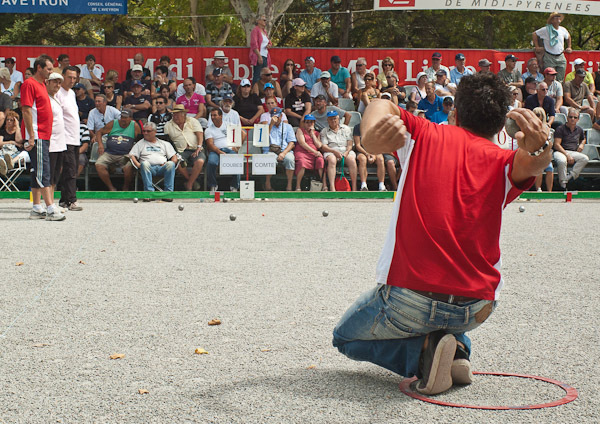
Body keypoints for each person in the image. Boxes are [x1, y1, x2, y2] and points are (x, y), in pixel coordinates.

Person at [333, 72, 552, 396]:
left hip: (411, 297)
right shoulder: (504, 161)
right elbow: (533, 163)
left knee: (344, 337)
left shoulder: (423, 134)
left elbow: (379, 104)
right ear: (498, 126)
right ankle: (456, 350)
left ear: (456, 112)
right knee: (448, 321)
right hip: (477, 306)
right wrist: (543, 146)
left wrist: (372, 135)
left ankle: (425, 355)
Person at [21, 55, 65, 221]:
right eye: (48, 69)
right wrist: (31, 136)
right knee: (43, 171)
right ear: (39, 68)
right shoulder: (29, 84)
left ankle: (36, 207)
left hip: (44, 135)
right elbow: (26, 110)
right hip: (37, 134)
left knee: (36, 170)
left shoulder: (41, 85)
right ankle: (50, 209)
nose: (51, 71)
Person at [56, 66, 83, 211]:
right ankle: (72, 200)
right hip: (65, 138)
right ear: (62, 76)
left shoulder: (72, 93)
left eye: (74, 78)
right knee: (70, 170)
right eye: (69, 77)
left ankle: (64, 199)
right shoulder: (58, 93)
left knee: (70, 170)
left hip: (75, 138)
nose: (72, 80)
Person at [93, 109, 140, 191]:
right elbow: (99, 132)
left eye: (125, 118)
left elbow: (140, 140)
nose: (123, 119)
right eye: (122, 117)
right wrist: (100, 145)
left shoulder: (134, 126)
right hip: (109, 152)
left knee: (129, 167)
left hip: (125, 154)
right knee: (99, 164)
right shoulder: (113, 123)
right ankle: (111, 187)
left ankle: (126, 187)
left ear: (130, 118)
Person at [129, 121, 177, 198]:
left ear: (155, 132)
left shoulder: (164, 143)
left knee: (171, 164)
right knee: (144, 164)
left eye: (148, 131)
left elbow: (174, 156)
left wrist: (171, 161)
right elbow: (132, 155)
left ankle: (168, 194)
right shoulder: (140, 143)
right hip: (148, 168)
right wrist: (138, 164)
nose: (145, 133)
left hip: (162, 167)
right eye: (144, 131)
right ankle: (149, 193)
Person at [164, 104, 205, 191]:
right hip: (180, 151)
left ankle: (189, 184)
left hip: (195, 148)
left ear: (184, 114)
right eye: (174, 114)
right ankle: (192, 182)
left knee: (200, 161)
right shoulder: (168, 125)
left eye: (177, 114)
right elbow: (167, 142)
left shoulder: (192, 121)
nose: (175, 116)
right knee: (177, 162)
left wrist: (199, 147)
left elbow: (200, 134)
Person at [320, 110, 357, 191]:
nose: (333, 121)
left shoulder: (346, 128)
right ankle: (332, 188)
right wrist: (334, 152)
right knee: (332, 160)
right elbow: (324, 146)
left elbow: (350, 143)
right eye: (331, 119)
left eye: (335, 118)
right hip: (331, 150)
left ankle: (354, 188)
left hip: (345, 150)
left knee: (351, 160)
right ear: (327, 120)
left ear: (338, 119)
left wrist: (346, 152)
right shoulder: (324, 131)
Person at [46, 72, 67, 213]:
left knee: (55, 175)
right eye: (54, 82)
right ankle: (48, 204)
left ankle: (52, 202)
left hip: (60, 142)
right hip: (50, 142)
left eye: (59, 82)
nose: (57, 85)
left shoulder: (56, 99)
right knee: (48, 175)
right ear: (47, 82)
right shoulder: (45, 99)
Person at [205, 108, 240, 192]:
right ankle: (213, 185)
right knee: (211, 163)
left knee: (237, 162)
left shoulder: (229, 125)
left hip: (229, 149)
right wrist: (219, 151)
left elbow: (243, 133)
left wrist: (237, 146)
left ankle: (234, 186)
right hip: (215, 150)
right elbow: (210, 144)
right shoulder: (208, 129)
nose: (213, 117)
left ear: (221, 116)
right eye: (211, 115)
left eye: (215, 115)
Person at [553, 108, 589, 189]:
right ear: (567, 118)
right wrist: (567, 155)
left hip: (573, 151)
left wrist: (582, 144)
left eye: (575, 117)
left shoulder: (579, 129)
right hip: (560, 151)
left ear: (578, 119)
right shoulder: (560, 129)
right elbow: (556, 145)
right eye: (571, 117)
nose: (572, 119)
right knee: (562, 161)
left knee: (585, 158)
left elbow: (583, 138)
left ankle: (569, 178)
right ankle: (563, 185)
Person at [262, 107, 296, 191]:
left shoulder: (288, 126)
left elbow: (292, 143)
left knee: (290, 159)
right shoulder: (266, 126)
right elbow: (263, 140)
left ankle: (289, 185)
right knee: (269, 159)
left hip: (284, 150)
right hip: (270, 150)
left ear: (281, 116)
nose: (276, 118)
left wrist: (284, 153)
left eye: (277, 116)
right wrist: (271, 125)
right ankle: (267, 184)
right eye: (273, 116)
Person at [533, 12, 572, 81]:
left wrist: (569, 47)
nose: (558, 18)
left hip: (561, 56)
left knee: (560, 78)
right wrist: (537, 46)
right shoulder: (546, 29)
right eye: (555, 17)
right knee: (549, 77)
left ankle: (559, 90)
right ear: (552, 20)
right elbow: (535, 34)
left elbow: (568, 37)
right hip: (549, 56)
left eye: (558, 17)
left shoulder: (563, 29)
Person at [293, 114, 324, 191]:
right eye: (307, 122)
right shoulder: (300, 130)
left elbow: (319, 145)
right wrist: (314, 152)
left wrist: (312, 134)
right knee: (302, 162)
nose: (309, 124)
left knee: (320, 160)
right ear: (304, 123)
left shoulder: (317, 133)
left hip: (314, 153)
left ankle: (324, 185)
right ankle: (298, 185)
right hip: (302, 151)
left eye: (311, 122)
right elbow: (302, 143)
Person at [354, 124, 386, 192]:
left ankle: (381, 185)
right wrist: (367, 153)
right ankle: (363, 185)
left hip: (374, 150)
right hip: (362, 151)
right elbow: (358, 145)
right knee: (363, 159)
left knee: (380, 159)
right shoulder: (357, 127)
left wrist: (373, 154)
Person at [531, 107, 554, 193]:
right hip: (534, 153)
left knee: (550, 168)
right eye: (535, 115)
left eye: (538, 115)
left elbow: (549, 143)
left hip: (544, 152)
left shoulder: (546, 128)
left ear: (542, 116)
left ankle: (549, 191)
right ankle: (538, 189)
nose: (536, 117)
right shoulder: (530, 127)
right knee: (539, 168)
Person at [250, 14, 271, 83]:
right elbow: (254, 44)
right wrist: (259, 56)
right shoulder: (255, 30)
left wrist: (269, 45)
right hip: (259, 55)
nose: (265, 21)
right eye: (263, 20)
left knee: (265, 75)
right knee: (257, 75)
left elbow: (269, 42)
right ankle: (255, 91)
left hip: (265, 56)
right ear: (258, 21)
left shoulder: (264, 31)